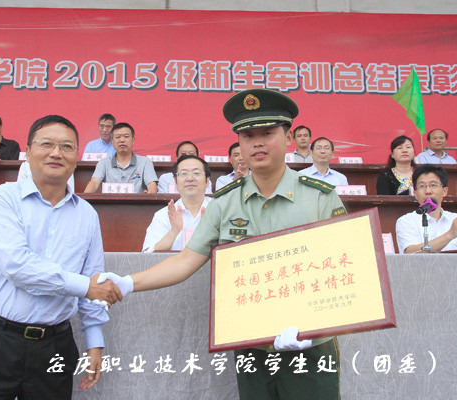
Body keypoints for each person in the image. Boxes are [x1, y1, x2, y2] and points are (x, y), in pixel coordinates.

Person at [100, 89, 345, 400]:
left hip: (310, 346)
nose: (257, 143)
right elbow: (186, 260)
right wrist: (127, 283)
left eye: (267, 133)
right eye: (247, 136)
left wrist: (314, 326)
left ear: (288, 138)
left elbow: (344, 268)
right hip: (251, 342)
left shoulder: (320, 197)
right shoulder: (224, 203)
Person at [0, 115, 122, 399]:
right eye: (47, 144)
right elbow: (16, 266)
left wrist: (94, 342)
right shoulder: (1, 199)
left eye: (67, 147)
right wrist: (85, 286)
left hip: (55, 345)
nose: (56, 153)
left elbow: (94, 277)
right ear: (28, 151)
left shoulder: (87, 215)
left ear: (76, 156)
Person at [396, 165, 457, 253]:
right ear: (415, 193)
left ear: (444, 191)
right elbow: (410, 253)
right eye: (422, 186)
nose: (428, 191)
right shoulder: (406, 221)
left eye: (433, 185)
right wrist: (450, 234)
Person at [143, 155, 212, 252]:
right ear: (175, 182)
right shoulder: (163, 216)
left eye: (196, 173)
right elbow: (147, 254)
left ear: (207, 181)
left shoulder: (220, 211)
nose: (190, 178)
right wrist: (173, 232)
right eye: (184, 173)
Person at [84, 122, 158, 193]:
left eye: (126, 136)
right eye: (118, 137)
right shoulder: (104, 163)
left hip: (136, 202)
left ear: (133, 140)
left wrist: (150, 194)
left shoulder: (145, 162)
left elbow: (151, 184)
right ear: (112, 141)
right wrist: (85, 198)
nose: (122, 140)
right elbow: (94, 182)